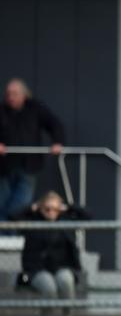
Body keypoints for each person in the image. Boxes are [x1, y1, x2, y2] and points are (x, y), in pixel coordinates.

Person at [12, 191, 90, 316]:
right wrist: (32, 208)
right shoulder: (33, 220)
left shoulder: (66, 220)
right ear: (40, 208)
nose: (51, 212)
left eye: (55, 209)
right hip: (37, 269)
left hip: (62, 267)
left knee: (66, 280)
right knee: (49, 287)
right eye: (47, 209)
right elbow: (12, 217)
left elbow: (88, 215)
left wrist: (67, 208)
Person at [0, 79, 65, 221]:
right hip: (4, 166)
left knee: (21, 203)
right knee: (1, 201)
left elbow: (54, 124)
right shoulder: (2, 110)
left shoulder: (35, 109)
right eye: (8, 94)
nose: (11, 97)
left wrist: (58, 142)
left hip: (29, 165)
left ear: (24, 95)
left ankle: (12, 234)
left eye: (15, 94)